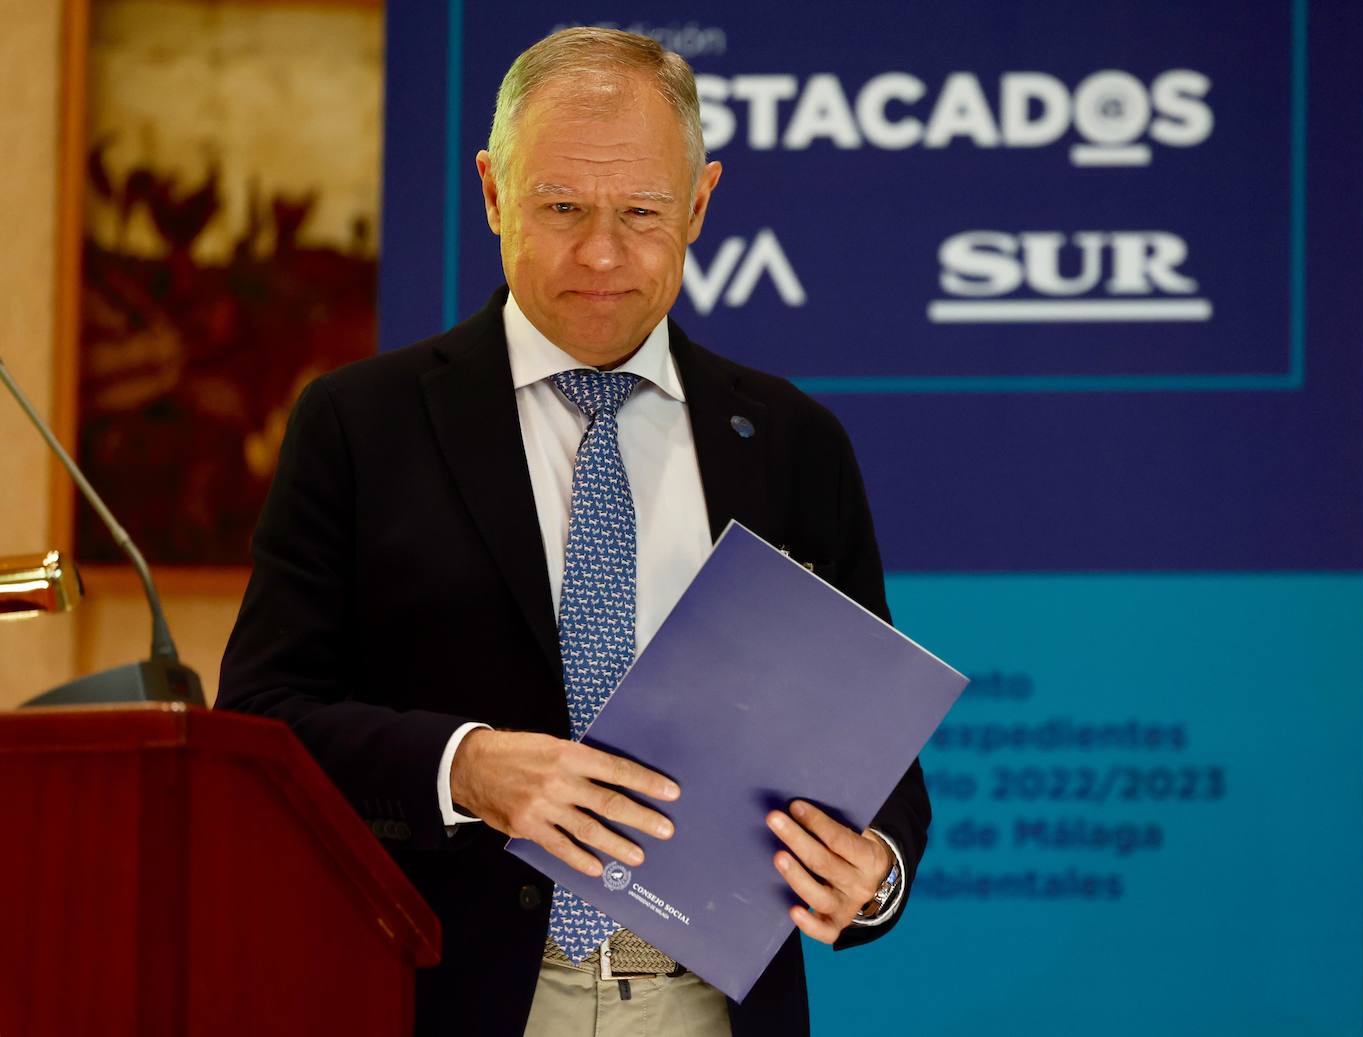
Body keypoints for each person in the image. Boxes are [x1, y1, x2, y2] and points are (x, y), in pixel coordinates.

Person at [217, 26, 930, 1037]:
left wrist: (875, 872)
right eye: (560, 207)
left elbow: (876, 747)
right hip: (443, 992)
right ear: (493, 192)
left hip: (714, 1006)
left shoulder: (791, 441)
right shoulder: (359, 422)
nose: (600, 252)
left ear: (699, 203)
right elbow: (261, 714)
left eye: (640, 212)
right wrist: (464, 765)